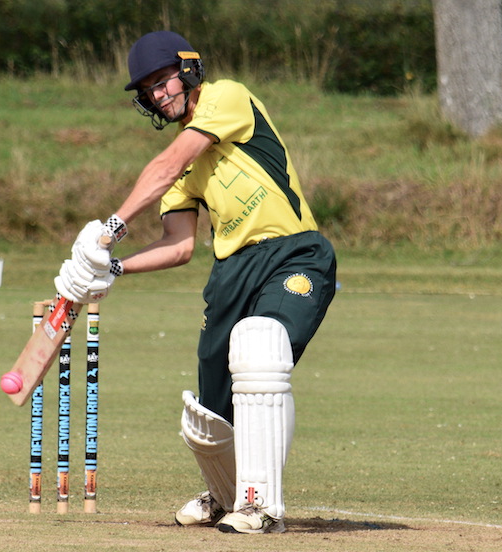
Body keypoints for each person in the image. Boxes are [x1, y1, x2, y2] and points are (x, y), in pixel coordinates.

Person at [54, 30, 336, 534]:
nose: (158, 95)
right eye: (148, 90)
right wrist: (111, 269)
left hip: (292, 252)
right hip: (230, 275)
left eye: (162, 81)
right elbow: (179, 246)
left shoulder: (227, 96)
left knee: (260, 349)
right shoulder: (184, 177)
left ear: (187, 70)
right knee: (210, 412)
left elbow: (165, 164)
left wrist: (109, 231)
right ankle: (225, 495)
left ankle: (260, 505)